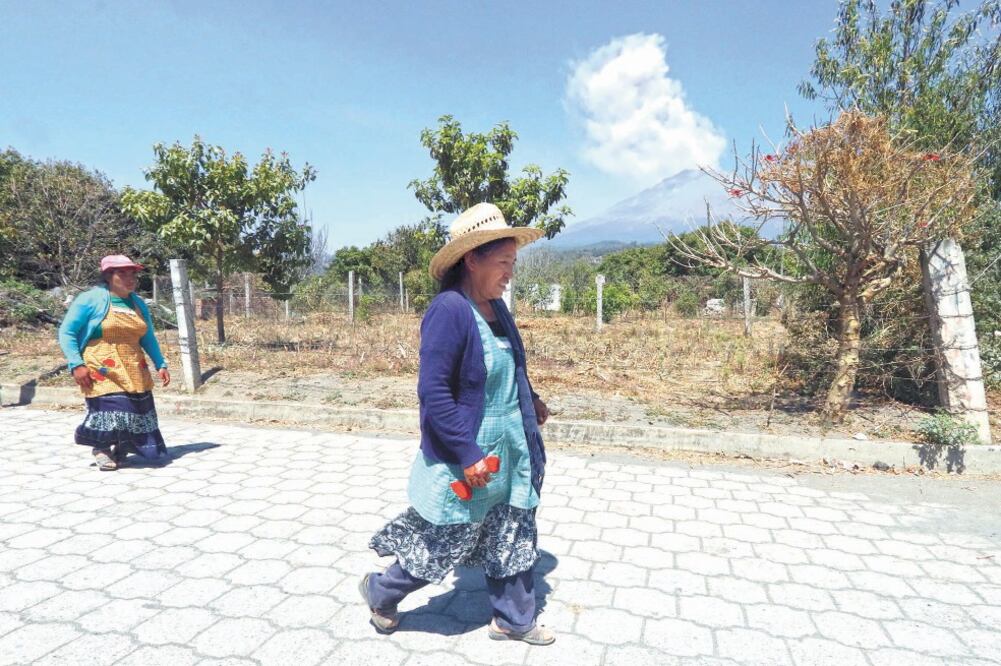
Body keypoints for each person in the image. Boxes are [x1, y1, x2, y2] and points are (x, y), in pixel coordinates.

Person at [361, 203, 554, 645]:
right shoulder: (449, 310)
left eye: (512, 263)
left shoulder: (496, 309)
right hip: (469, 454)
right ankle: (380, 591)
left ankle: (513, 618)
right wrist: (467, 454)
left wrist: (533, 400)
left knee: (512, 529)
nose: (509, 273)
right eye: (503, 263)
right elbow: (434, 394)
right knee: (443, 541)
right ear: (472, 258)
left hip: (510, 446)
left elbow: (512, 368)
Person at [57, 254, 171, 470]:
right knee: (111, 407)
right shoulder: (90, 299)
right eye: (122, 274)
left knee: (136, 408)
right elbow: (67, 332)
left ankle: (123, 445)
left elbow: (147, 336)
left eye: (133, 274)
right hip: (101, 365)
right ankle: (101, 448)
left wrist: (160, 363)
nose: (130, 279)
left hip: (133, 365)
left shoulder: (137, 303)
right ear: (108, 276)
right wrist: (76, 364)